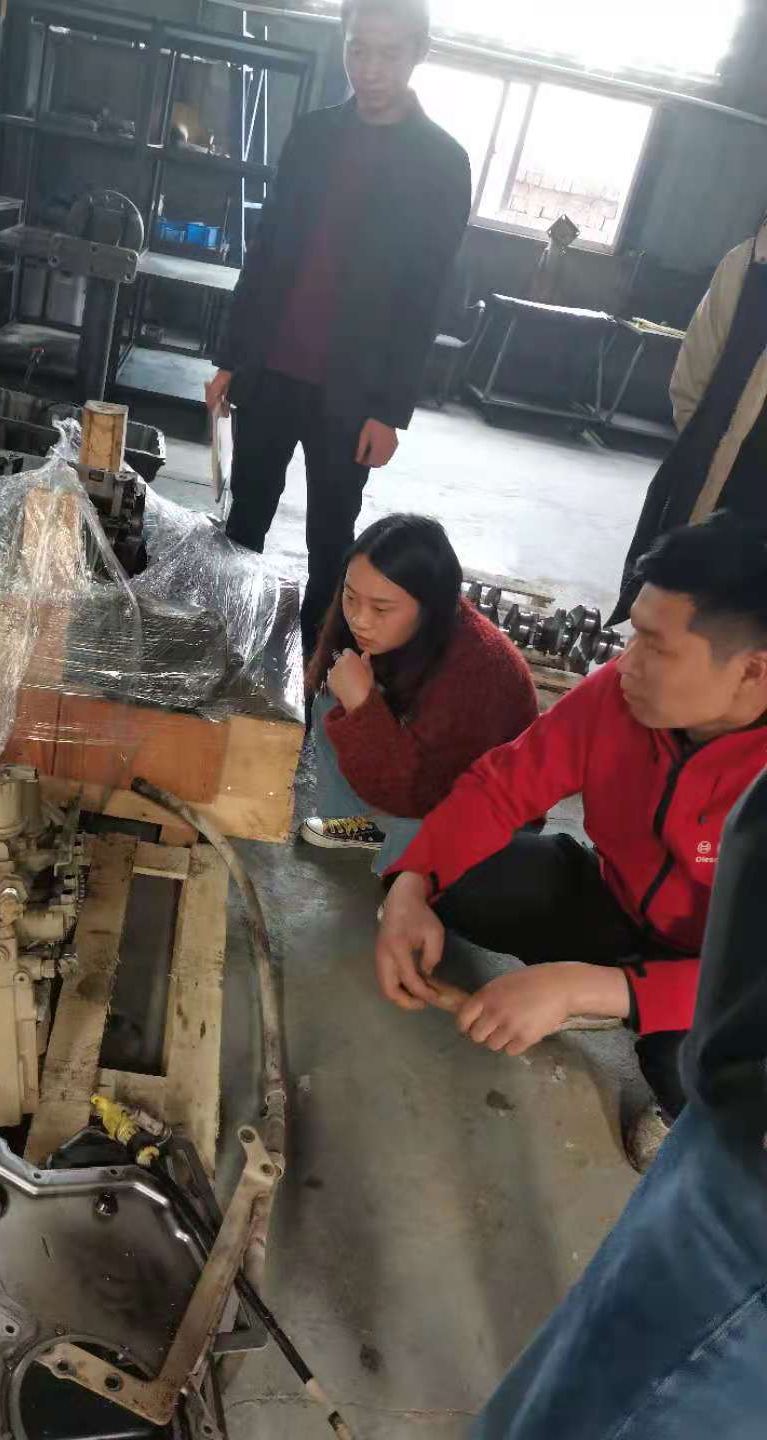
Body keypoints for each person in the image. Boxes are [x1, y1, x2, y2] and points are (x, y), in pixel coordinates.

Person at [374, 514, 767, 1167]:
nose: (625, 665)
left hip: (724, 974)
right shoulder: (618, 695)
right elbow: (501, 787)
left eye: (656, 648)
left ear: (752, 671)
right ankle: (615, 990)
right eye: (631, 635)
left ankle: (675, 1090)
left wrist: (582, 989)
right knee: (463, 876)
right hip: (618, 904)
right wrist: (411, 885)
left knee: (720, 1080)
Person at [472, 766, 767, 1439]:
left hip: (747, 1172)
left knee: (639, 1396)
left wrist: (594, 989)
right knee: (588, 1364)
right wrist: (414, 876)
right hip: (731, 1112)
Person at [206, 0, 471, 656]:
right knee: (245, 514)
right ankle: (223, 642)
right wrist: (231, 357)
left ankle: (312, 665)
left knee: (331, 538)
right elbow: (265, 251)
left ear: (419, 53)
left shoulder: (441, 162)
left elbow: (425, 298)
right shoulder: (313, 136)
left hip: (352, 394)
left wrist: (390, 411)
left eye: (389, 53)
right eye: (358, 50)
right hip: (271, 370)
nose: (370, 69)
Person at [300, 514, 538, 872]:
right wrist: (358, 702)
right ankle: (361, 825)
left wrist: (363, 705)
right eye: (350, 597)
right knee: (334, 693)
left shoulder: (479, 670)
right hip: (422, 780)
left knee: (402, 873)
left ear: (429, 606)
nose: (359, 619)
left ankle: (409, 858)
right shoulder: (409, 634)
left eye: (381, 608)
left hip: (484, 813)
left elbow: (419, 795)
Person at [611, 215, 767, 624]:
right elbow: (695, 370)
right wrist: (704, 441)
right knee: (693, 600)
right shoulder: (746, 265)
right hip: (723, 470)